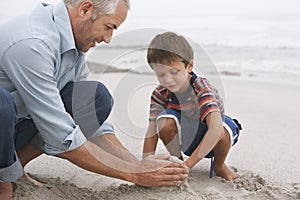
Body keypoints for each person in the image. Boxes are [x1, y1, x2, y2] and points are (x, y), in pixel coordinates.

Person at [0, 1, 189, 199]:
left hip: (13, 124)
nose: (108, 39)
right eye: (108, 27)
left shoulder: (72, 43)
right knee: (2, 104)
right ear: (85, 9)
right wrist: (134, 174)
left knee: (96, 98)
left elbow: (87, 116)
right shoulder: (34, 42)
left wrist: (136, 164)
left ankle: (14, 166)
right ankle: (2, 181)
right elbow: (59, 135)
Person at [143, 32, 242, 181]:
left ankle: (219, 166)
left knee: (222, 128)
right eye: (161, 75)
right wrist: (145, 165)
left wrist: (188, 166)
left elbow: (215, 129)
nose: (168, 80)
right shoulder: (160, 93)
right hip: (188, 137)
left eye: (174, 72)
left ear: (189, 66)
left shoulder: (201, 88)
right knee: (163, 121)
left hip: (216, 139)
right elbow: (152, 131)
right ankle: (178, 163)